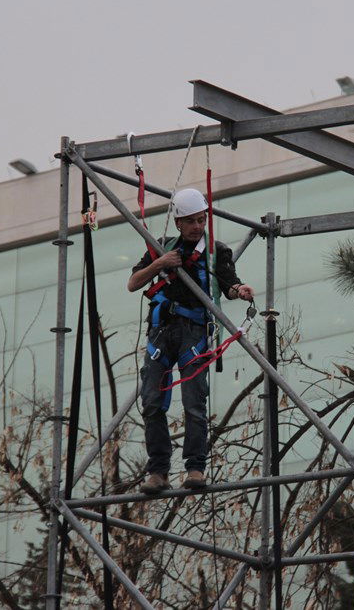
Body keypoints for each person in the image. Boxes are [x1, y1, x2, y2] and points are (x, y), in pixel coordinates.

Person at [128, 188, 254, 494]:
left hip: (193, 333)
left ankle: (195, 467)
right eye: (192, 221)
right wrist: (160, 264)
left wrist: (240, 290)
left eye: (202, 219)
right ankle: (158, 471)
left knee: (194, 403)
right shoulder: (161, 248)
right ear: (179, 223)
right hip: (161, 330)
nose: (198, 226)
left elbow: (228, 284)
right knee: (152, 402)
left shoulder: (216, 252)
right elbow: (134, 283)